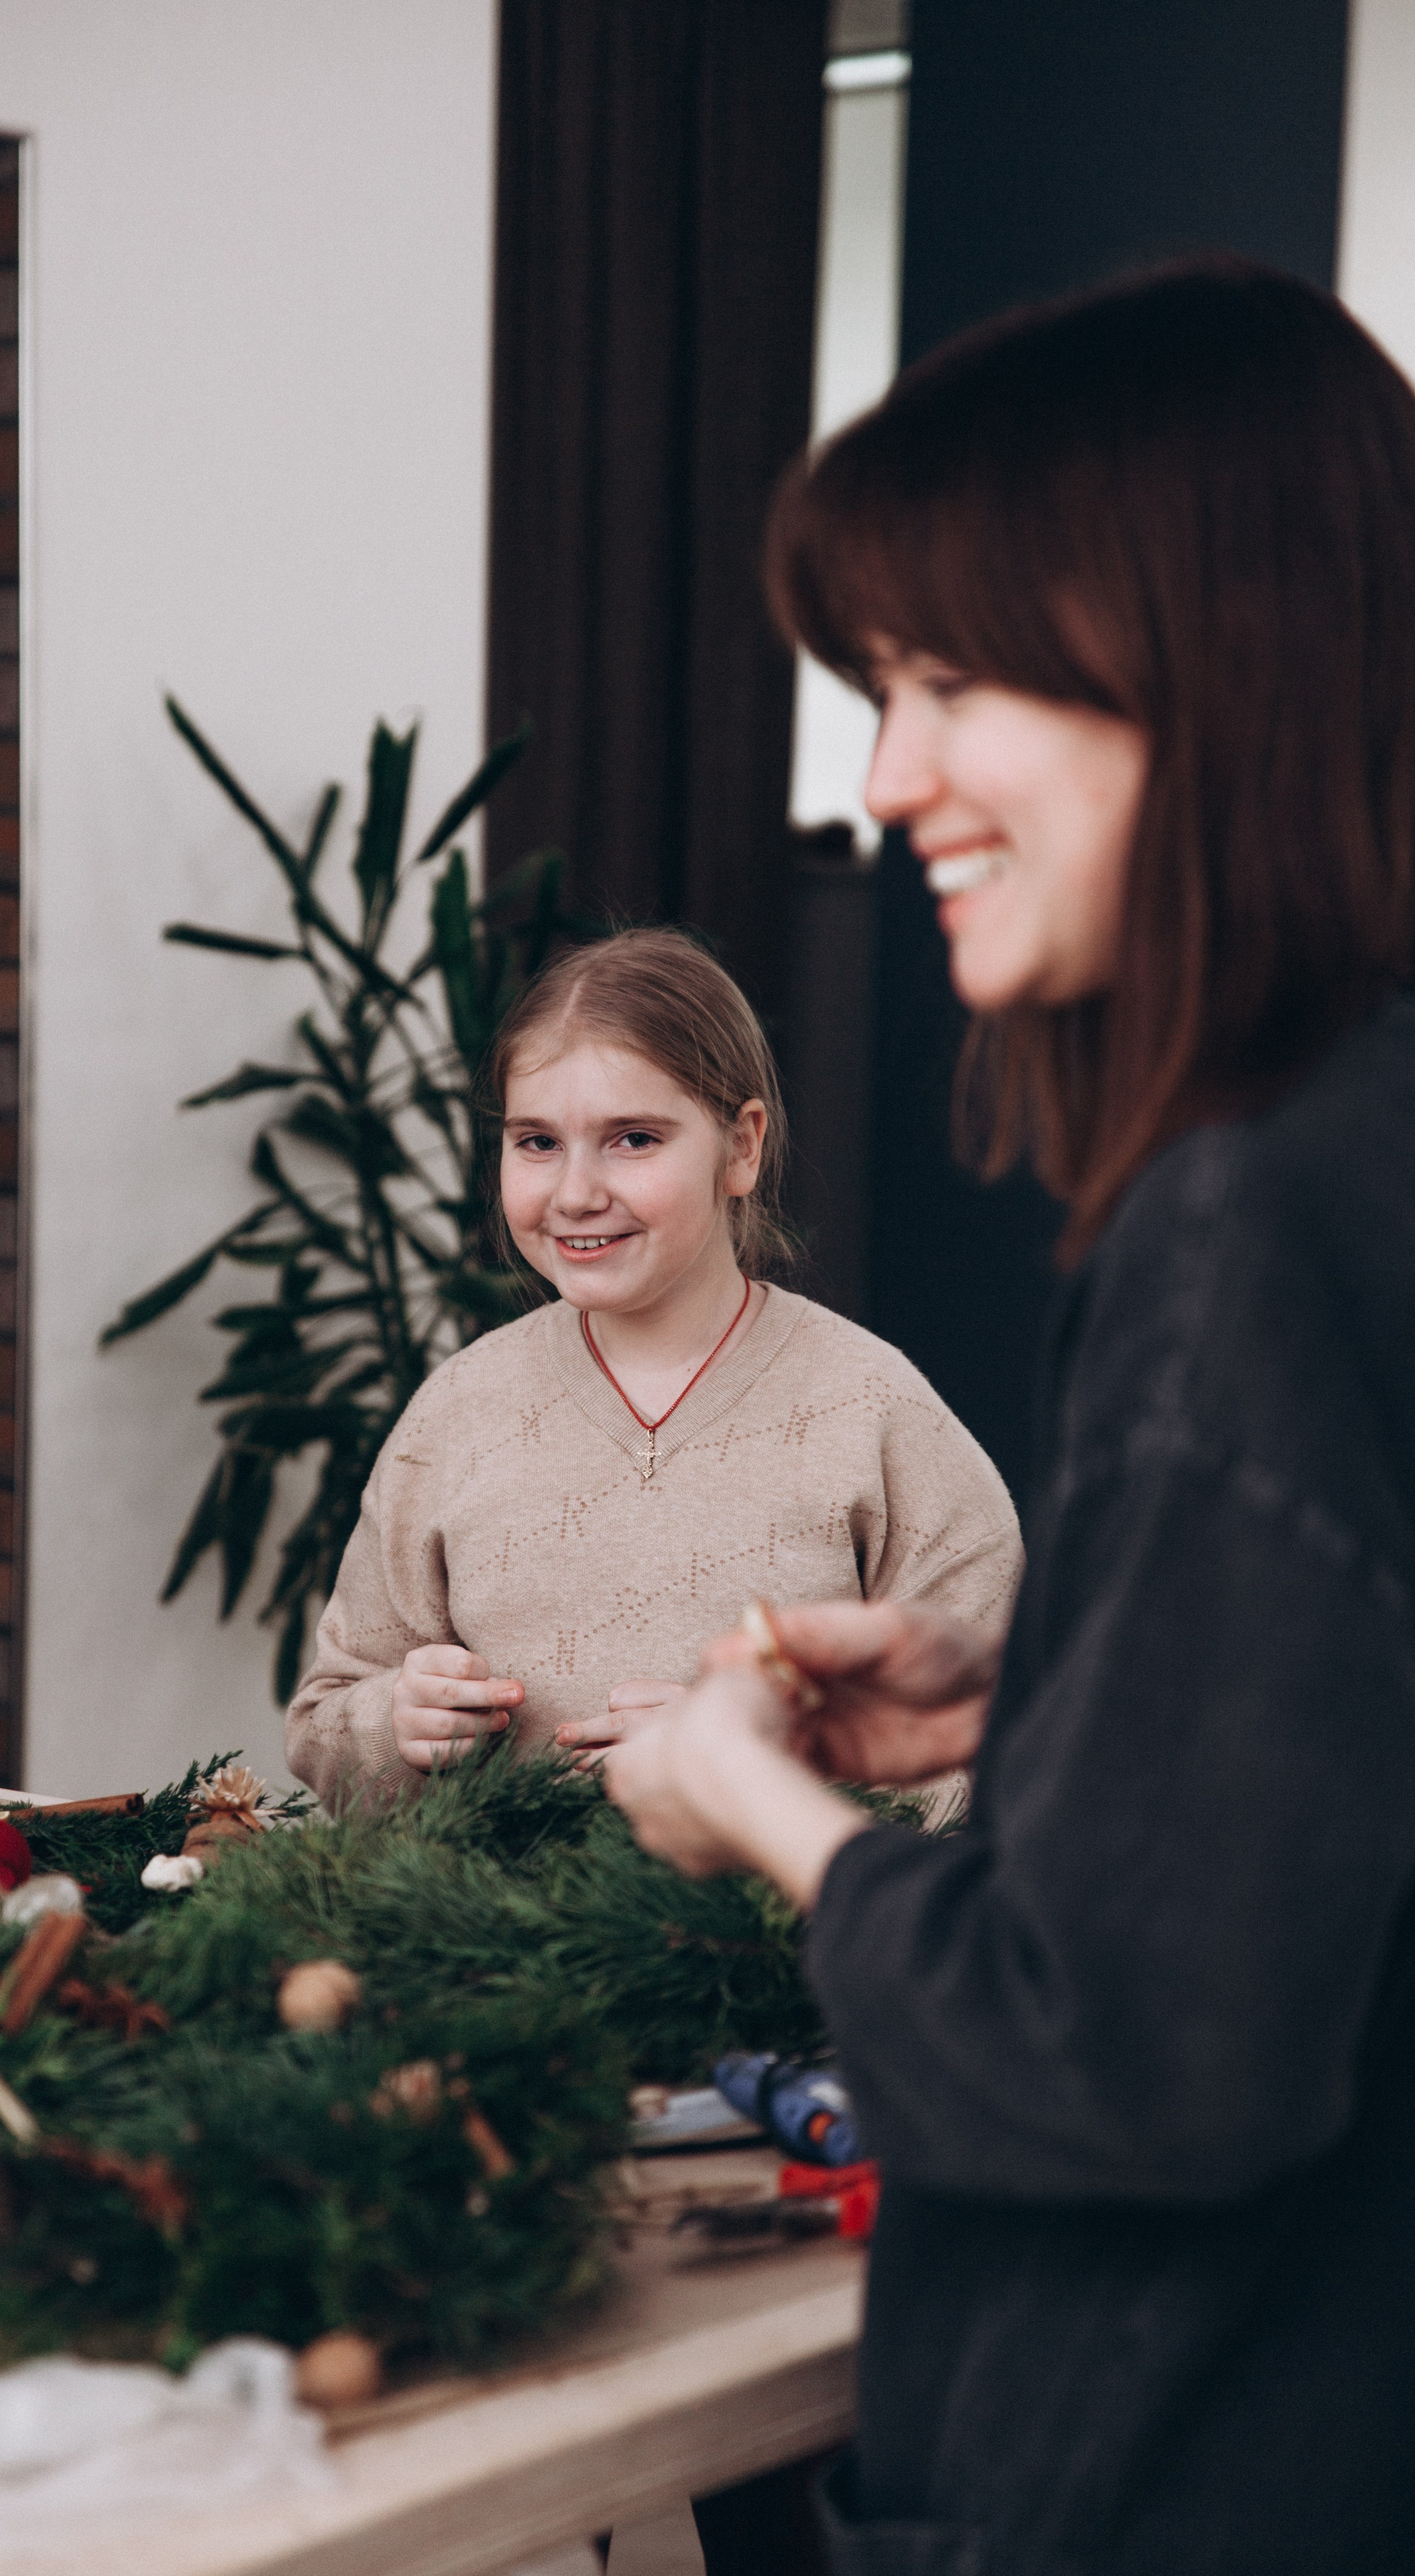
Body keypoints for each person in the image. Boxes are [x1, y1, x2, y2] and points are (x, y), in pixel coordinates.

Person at [604, 258, 1415, 2576]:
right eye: (881, 690)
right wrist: (1059, 1692)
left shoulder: (1249, 1218)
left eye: (952, 680)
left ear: (1217, 652)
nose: (886, 782)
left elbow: (1146, 2065)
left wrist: (758, 1798)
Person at [284, 927, 1020, 1808]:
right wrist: (393, 1725)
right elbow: (325, 1722)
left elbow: (1007, 1740)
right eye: (537, 1142)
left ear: (741, 1147)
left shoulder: (876, 1411)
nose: (575, 1192)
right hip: (496, 1941)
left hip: (783, 1942)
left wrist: (771, 1762)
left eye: (633, 1139)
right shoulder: (455, 1414)